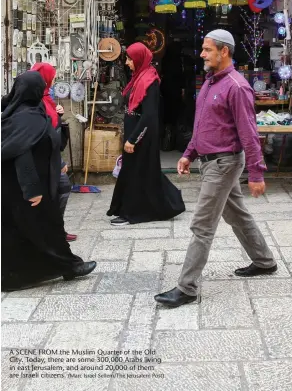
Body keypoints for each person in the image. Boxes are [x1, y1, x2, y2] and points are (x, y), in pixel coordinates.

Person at [154, 29, 277, 308]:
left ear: (224, 52)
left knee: (202, 225)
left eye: (207, 49)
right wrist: (188, 153)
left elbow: (249, 133)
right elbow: (202, 125)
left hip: (224, 163)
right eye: (203, 49)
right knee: (237, 215)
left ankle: (186, 287)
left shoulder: (237, 86)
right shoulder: (210, 82)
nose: (202, 54)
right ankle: (264, 261)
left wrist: (256, 173)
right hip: (210, 160)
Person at [1, 71, 96, 291]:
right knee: (46, 228)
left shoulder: (26, 112)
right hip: (29, 189)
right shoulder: (26, 117)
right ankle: (69, 267)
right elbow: (21, 153)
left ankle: (19, 275)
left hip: (24, 188)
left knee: (28, 230)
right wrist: (32, 189)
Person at [107, 42, 185, 226]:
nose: (127, 63)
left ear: (139, 59)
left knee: (137, 172)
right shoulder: (138, 78)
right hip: (135, 130)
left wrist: (133, 139)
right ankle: (170, 202)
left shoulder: (149, 81)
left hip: (142, 134)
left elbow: (149, 115)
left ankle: (131, 213)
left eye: (129, 59)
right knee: (143, 171)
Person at [31, 62, 77, 242]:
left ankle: (55, 230)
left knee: (62, 188)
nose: (54, 79)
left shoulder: (45, 97)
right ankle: (50, 232)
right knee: (57, 190)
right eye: (52, 76)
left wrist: (58, 113)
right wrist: (60, 163)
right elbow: (42, 132)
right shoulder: (35, 101)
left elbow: (51, 124)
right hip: (44, 159)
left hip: (52, 157)